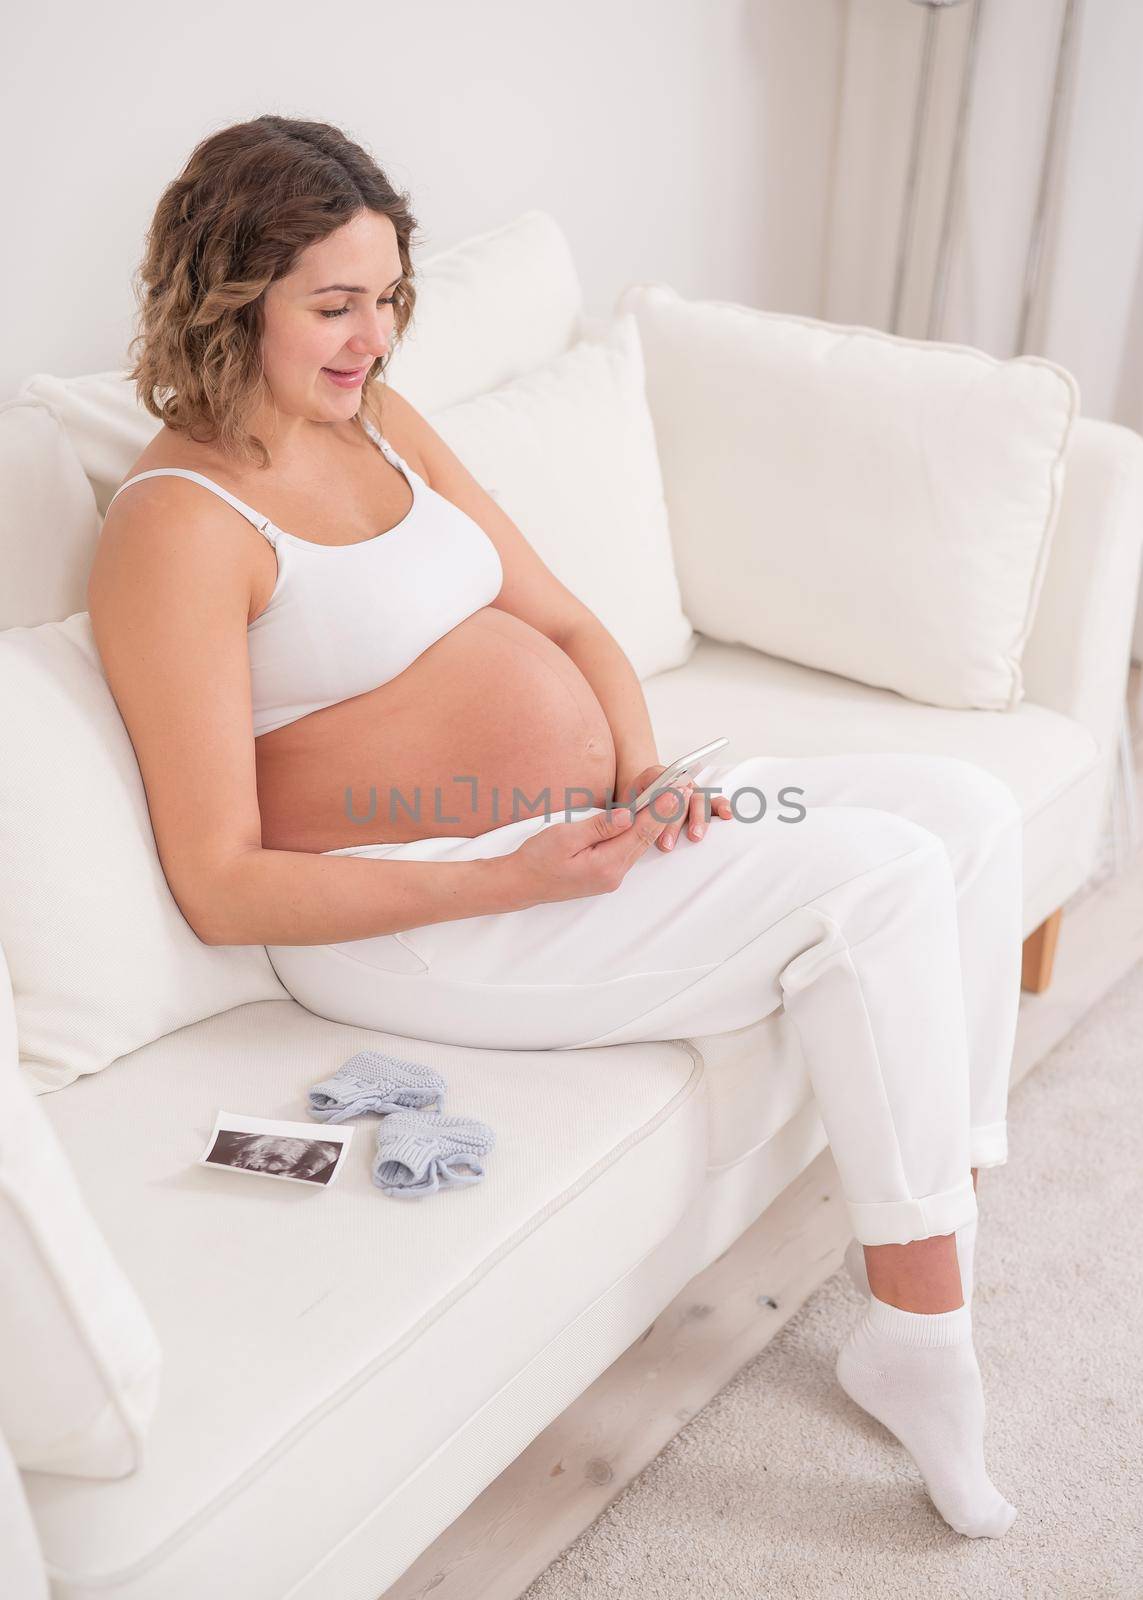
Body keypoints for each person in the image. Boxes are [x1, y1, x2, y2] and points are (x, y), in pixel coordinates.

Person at [88, 114, 1021, 1540]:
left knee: (964, 807)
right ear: (228, 294)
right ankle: (925, 1341)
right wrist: (511, 869)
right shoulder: (180, 525)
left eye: (388, 297)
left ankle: (937, 1226)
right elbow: (219, 885)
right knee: (879, 882)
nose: (372, 338)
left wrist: (641, 775)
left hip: (573, 839)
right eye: (332, 305)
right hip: (416, 916)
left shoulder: (382, 421)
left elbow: (569, 618)